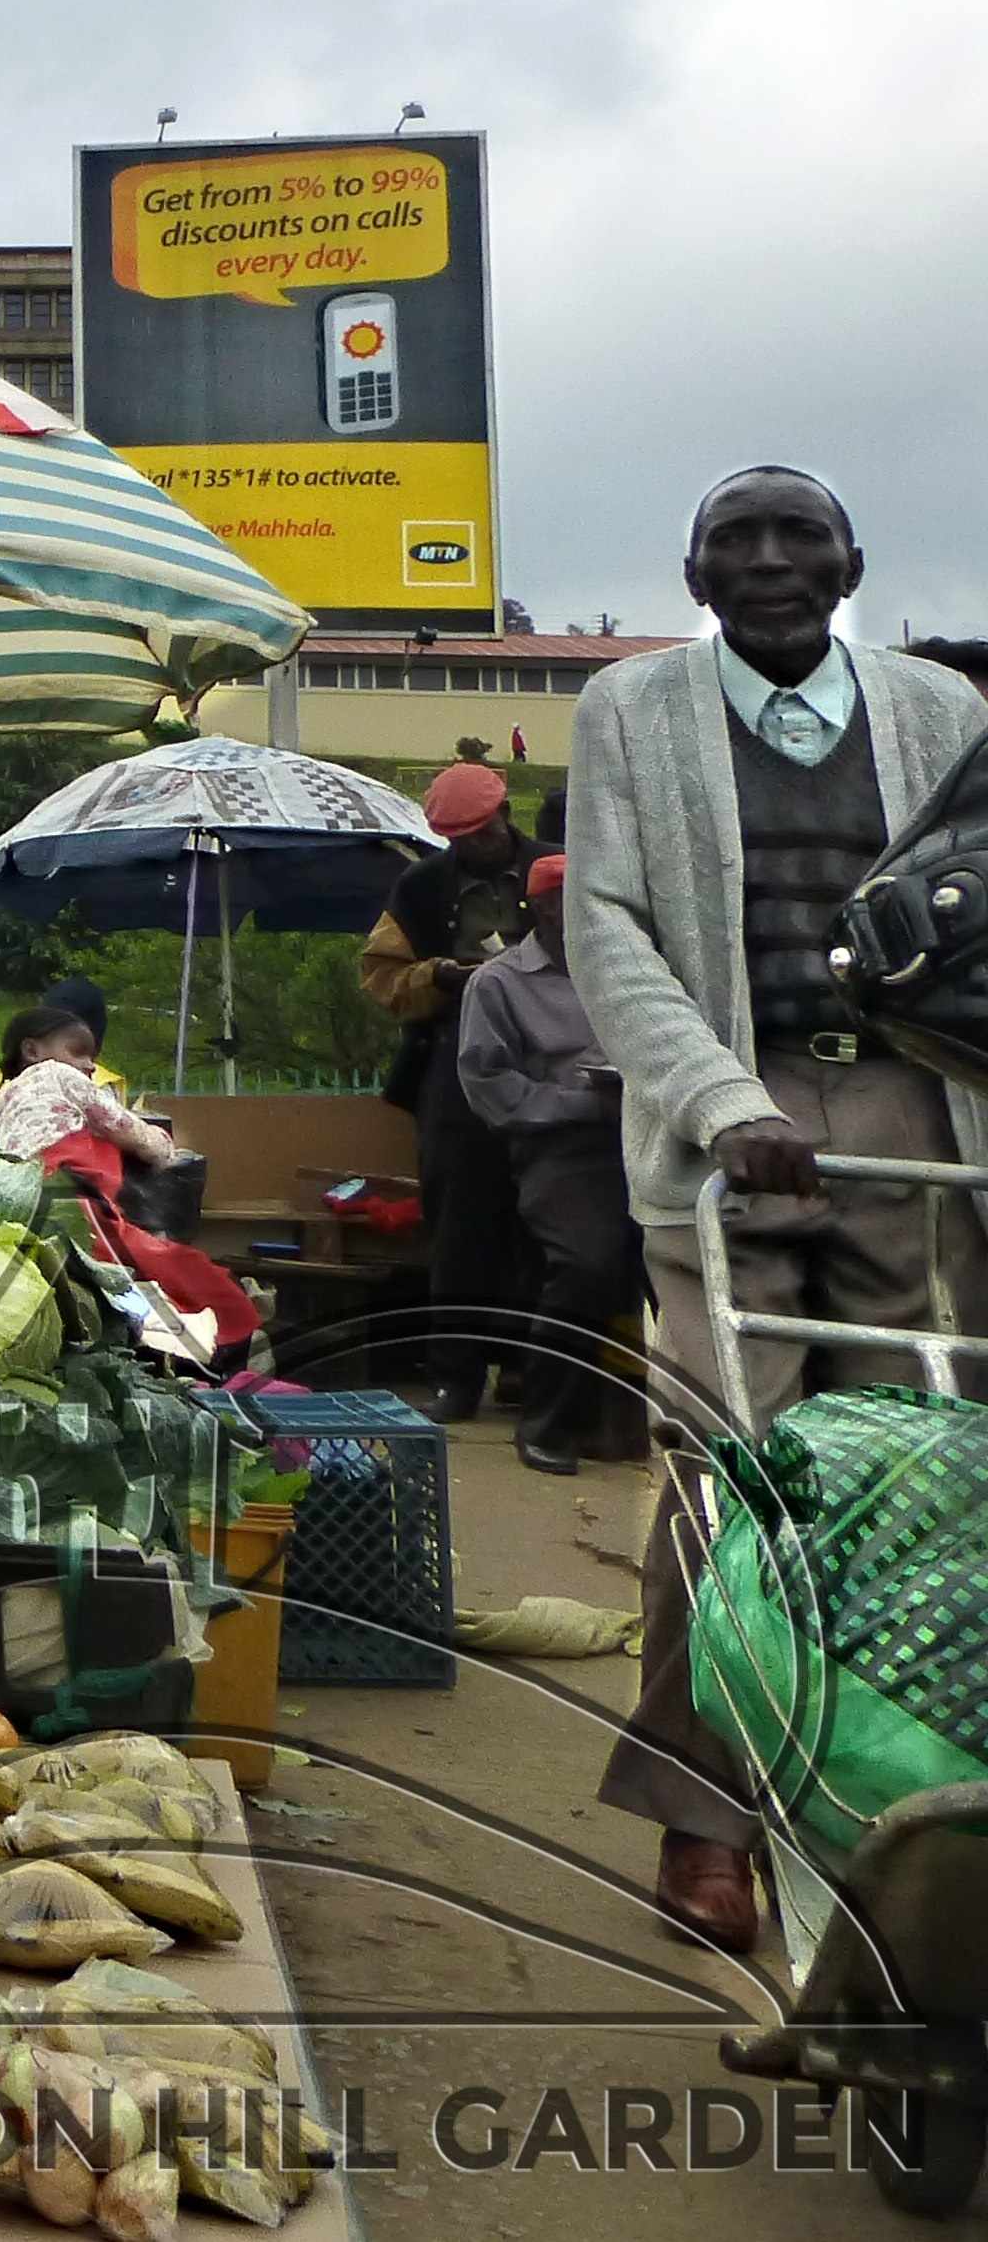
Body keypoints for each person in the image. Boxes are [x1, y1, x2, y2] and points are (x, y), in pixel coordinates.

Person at [573, 464, 988, 1952]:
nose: (767, 560)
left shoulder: (942, 709)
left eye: (797, 536)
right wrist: (720, 1100)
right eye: (733, 540)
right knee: (729, 1468)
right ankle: (705, 1819)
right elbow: (607, 927)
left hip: (917, 1121)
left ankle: (895, 1815)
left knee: (921, 1477)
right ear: (694, 577)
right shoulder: (629, 710)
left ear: (849, 564)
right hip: (724, 1131)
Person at [358, 758, 552, 1419]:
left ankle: (532, 1369)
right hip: (455, 1060)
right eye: (459, 838)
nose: (474, 846)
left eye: (482, 832)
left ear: (505, 814)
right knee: (459, 1225)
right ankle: (455, 1376)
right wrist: (439, 976)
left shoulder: (557, 866)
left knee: (547, 1222)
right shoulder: (421, 886)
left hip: (554, 1059)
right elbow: (381, 976)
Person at [454, 854, 640, 1478]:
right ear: (537, 909)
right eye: (562, 905)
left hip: (651, 1132)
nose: (578, 917)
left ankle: (658, 1420)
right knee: (589, 1264)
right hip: (565, 1146)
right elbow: (488, 1087)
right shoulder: (499, 983)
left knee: (701, 1251)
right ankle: (547, 1423)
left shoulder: (635, 967)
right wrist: (582, 1103)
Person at [0, 1009, 256, 1349]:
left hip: (19, 1207)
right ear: (32, 1050)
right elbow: (126, 1128)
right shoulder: (58, 1075)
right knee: (158, 1265)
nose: (90, 1066)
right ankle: (220, 1333)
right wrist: (163, 1148)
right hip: (71, 1203)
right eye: (79, 1052)